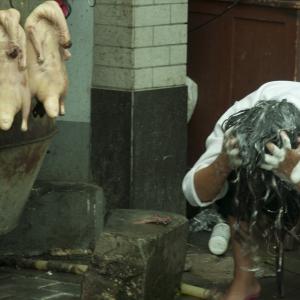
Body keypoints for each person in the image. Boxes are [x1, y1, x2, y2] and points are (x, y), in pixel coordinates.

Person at [182, 80, 300, 300]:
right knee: (236, 180)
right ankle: (245, 283)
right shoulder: (239, 122)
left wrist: (296, 175)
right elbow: (194, 193)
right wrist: (224, 162)